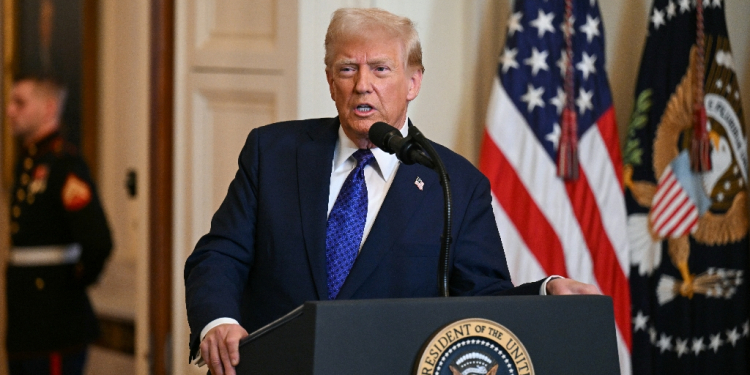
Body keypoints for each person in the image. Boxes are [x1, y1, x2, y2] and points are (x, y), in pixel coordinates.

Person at [184, 7, 599, 375]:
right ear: (330, 81)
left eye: (381, 69)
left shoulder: (454, 182)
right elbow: (219, 255)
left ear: (413, 82)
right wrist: (217, 321)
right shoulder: (272, 152)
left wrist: (546, 293)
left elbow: (483, 301)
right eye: (347, 69)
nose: (363, 84)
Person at [5, 73, 112, 375]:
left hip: (54, 322)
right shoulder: (29, 163)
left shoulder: (65, 164)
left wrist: (69, 286)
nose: (10, 111)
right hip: (26, 323)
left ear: (49, 108)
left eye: (20, 103)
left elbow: (98, 242)